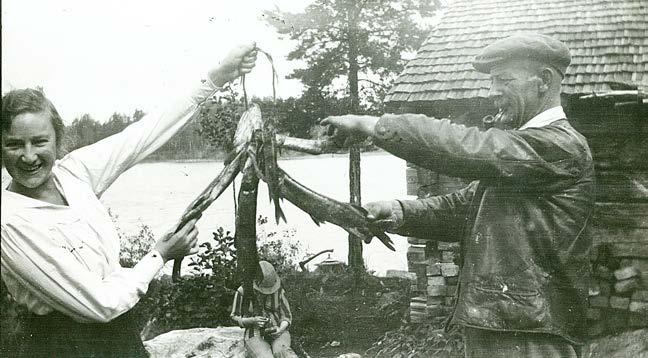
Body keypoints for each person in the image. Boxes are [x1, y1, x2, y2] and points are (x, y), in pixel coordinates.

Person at [323, 34, 594, 358]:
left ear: (544, 81)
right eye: (492, 81)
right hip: (501, 327)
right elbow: (464, 208)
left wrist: (369, 124)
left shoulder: (560, 145)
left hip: (531, 335)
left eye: (504, 80)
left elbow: (466, 146)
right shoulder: (523, 152)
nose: (492, 92)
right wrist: (399, 211)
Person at [1, 43, 257, 357]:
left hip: (120, 338)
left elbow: (139, 138)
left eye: (39, 141)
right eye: (15, 144)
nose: (29, 156)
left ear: (57, 138)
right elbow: (101, 304)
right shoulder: (9, 221)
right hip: (60, 346)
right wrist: (160, 254)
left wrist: (216, 77)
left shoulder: (73, 173)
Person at [231, 260, 298, 358]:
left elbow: (286, 316)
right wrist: (252, 321)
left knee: (283, 353)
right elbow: (234, 317)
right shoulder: (243, 291)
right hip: (254, 333)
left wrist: (280, 329)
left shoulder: (278, 291)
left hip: (278, 330)